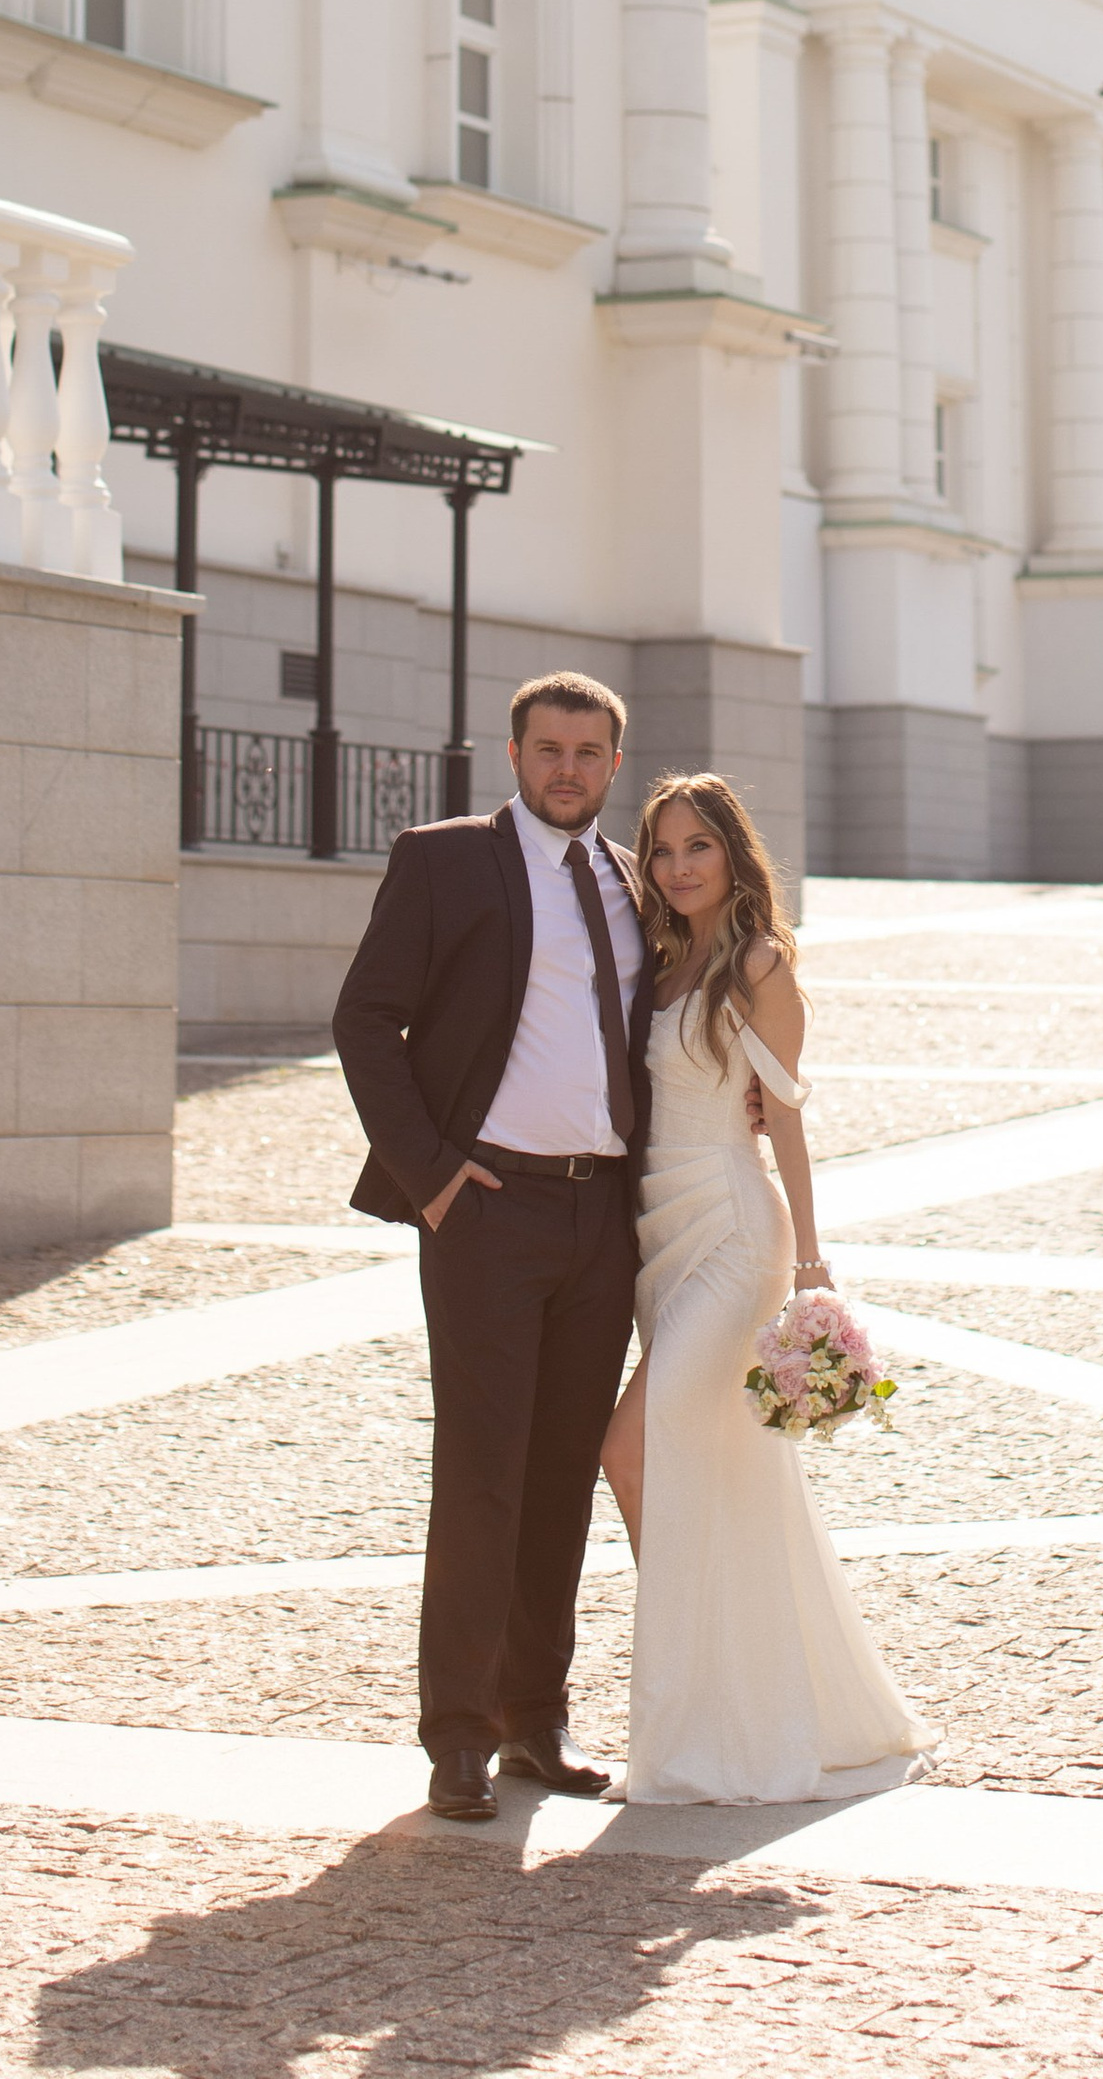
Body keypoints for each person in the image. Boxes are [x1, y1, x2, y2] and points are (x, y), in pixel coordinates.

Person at [332, 671, 652, 1823]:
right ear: (512, 754)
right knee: (481, 1474)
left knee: (561, 1475)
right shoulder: (446, 859)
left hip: (600, 1218)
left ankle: (535, 1722)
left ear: (616, 766)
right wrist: (431, 1176)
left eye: (587, 753)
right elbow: (365, 1016)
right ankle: (456, 1734)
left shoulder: (631, 885)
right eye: (547, 748)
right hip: (487, 1210)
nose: (566, 769)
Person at [599, 771, 920, 1807]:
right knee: (713, 1473)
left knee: (631, 1451)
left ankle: (698, 1701)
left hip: (736, 1236)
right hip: (660, 1235)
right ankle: (722, 1697)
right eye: (661, 850)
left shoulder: (756, 962)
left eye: (698, 847)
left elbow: (781, 1117)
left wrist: (815, 1267)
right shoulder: (653, 959)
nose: (678, 866)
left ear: (735, 856)